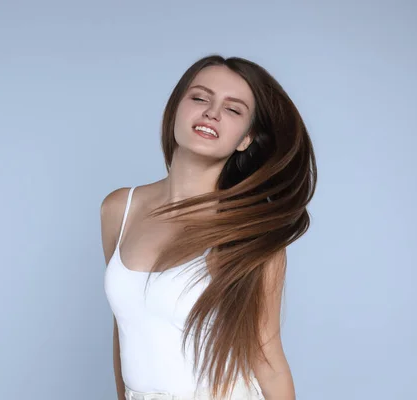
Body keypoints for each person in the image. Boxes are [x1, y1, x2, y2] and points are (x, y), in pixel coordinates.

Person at [101, 54, 317, 400]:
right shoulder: (119, 210)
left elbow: (268, 358)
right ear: (175, 110)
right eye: (200, 98)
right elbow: (124, 324)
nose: (211, 113)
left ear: (246, 138)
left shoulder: (251, 232)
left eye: (233, 110)